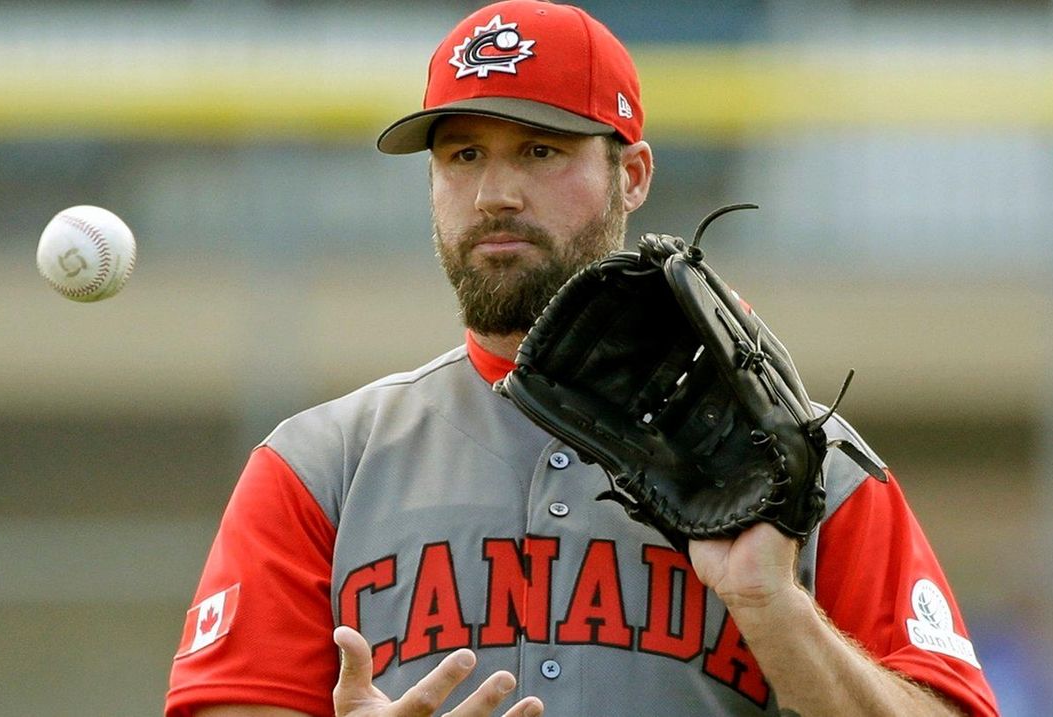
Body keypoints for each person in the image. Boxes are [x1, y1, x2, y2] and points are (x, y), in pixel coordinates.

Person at [165, 2, 999, 715]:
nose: (495, 192)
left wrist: (770, 603)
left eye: (540, 150)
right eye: (463, 155)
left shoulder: (806, 464)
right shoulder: (320, 466)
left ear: (632, 175)